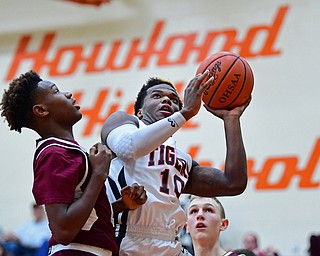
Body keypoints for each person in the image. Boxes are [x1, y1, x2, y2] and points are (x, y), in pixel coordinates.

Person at [101, 72, 251, 255]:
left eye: (173, 99)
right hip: (125, 238)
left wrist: (231, 119)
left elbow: (233, 183)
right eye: (157, 96)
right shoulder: (124, 122)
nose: (166, 100)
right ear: (140, 110)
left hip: (169, 242)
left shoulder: (183, 161)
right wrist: (185, 113)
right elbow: (128, 147)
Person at [0, 70, 147, 256]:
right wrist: (99, 174)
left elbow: (83, 217)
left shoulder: (66, 151)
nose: (68, 94)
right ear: (41, 110)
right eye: (56, 91)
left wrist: (119, 205)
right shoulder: (53, 153)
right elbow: (63, 230)